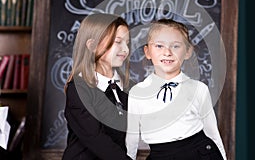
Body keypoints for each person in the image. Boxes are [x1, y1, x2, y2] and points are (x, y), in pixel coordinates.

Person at [126, 19, 227, 160]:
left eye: (175, 46)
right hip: (160, 155)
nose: (167, 52)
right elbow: (131, 139)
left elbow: (212, 133)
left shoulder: (198, 89)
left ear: (187, 52)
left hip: (199, 154)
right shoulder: (137, 93)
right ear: (147, 52)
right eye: (159, 46)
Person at [63, 13, 132, 160]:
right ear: (92, 45)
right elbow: (96, 139)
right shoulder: (78, 89)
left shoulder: (127, 88)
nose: (125, 49)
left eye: (127, 42)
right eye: (118, 42)